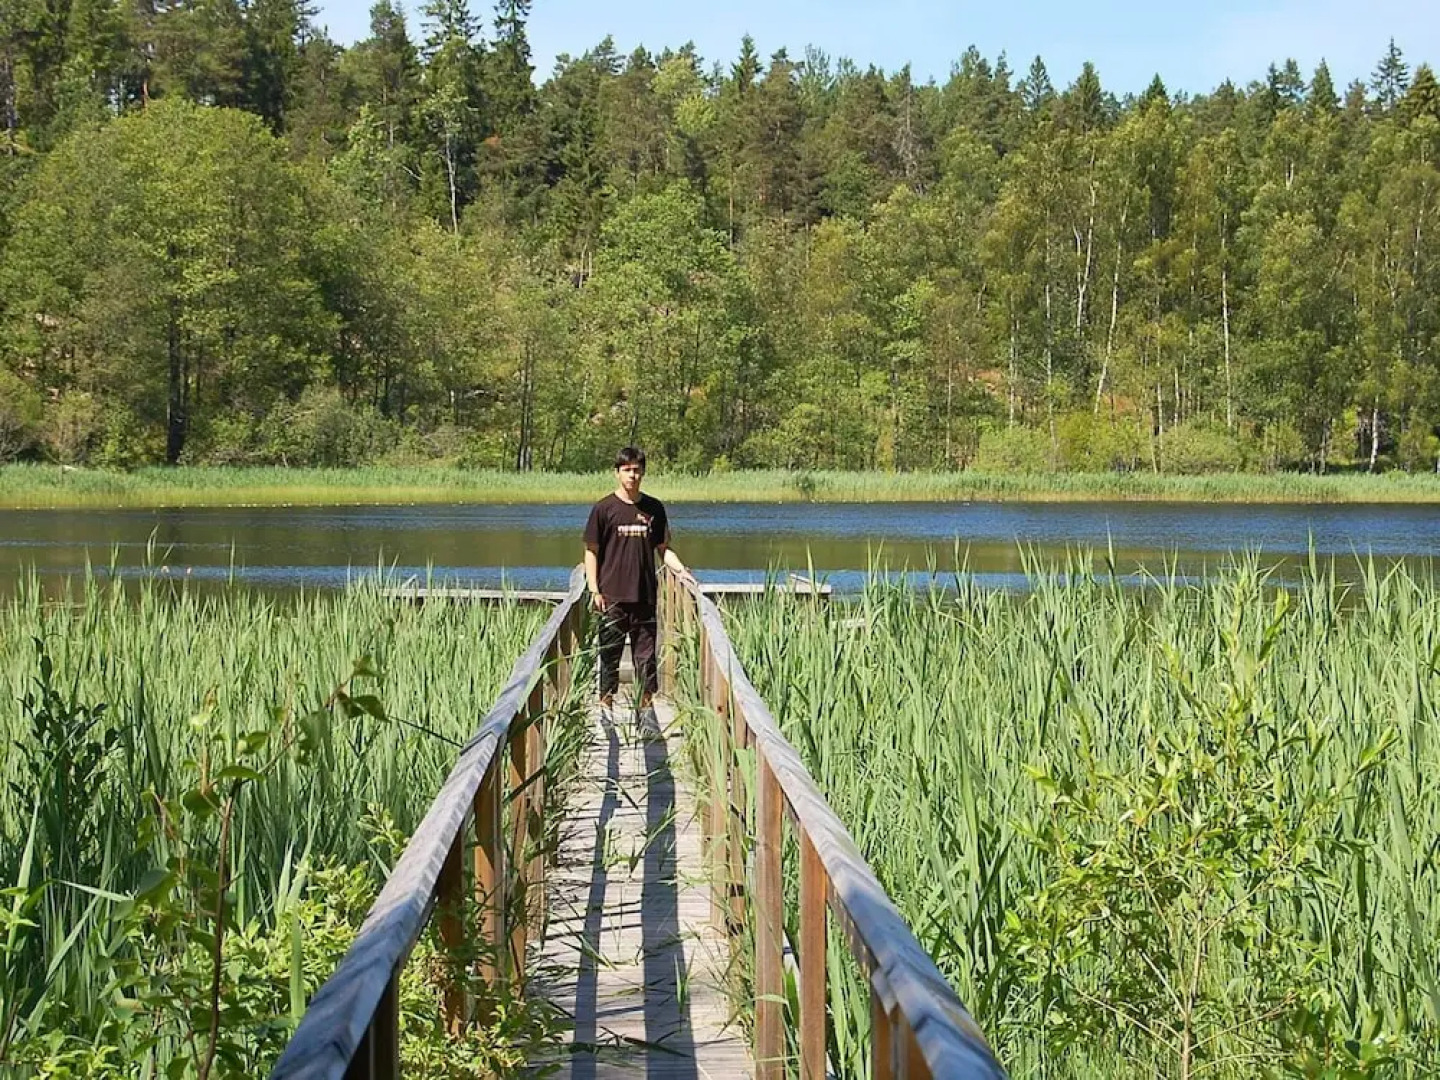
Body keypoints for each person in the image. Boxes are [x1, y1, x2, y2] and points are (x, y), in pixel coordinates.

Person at [583, 446, 693, 718]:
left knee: (645, 658)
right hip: (611, 596)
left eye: (637, 470)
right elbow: (591, 551)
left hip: (644, 596)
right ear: (617, 473)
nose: (632, 475)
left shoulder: (654, 508)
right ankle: (606, 707)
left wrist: (682, 571)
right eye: (627, 470)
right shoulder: (604, 509)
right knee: (609, 654)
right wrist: (594, 589)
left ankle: (645, 711)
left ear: (643, 473)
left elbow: (663, 549)